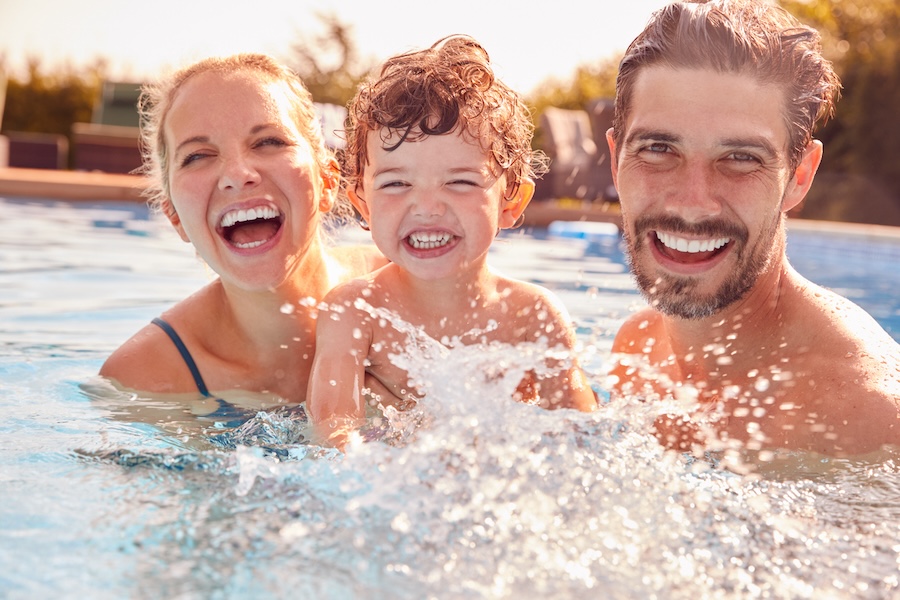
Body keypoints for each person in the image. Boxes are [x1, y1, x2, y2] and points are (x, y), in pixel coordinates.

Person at [605, 0, 900, 458]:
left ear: (799, 177)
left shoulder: (866, 414)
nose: (693, 202)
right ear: (614, 159)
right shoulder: (639, 349)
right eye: (658, 148)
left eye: (741, 158)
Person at [306, 35, 597, 448]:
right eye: (396, 183)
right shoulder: (355, 313)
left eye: (460, 182)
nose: (427, 207)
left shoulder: (533, 316)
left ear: (511, 203)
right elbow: (332, 436)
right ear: (363, 206)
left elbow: (581, 440)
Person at [99, 54, 387, 419]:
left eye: (268, 142)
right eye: (198, 156)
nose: (237, 173)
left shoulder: (412, 290)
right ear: (175, 217)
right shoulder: (145, 380)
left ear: (327, 181)